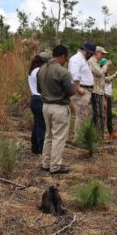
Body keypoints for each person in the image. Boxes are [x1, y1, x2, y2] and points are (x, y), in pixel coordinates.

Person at [37, 44, 76, 174]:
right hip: (59, 107)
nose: (66, 61)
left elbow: (39, 89)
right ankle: (55, 166)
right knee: (58, 137)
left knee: (49, 135)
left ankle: (46, 163)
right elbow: (72, 91)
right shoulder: (63, 72)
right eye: (66, 58)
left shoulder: (41, 69)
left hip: (45, 106)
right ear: (63, 56)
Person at [68, 42, 95, 139]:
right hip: (81, 91)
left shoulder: (83, 59)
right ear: (86, 51)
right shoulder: (76, 59)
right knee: (81, 115)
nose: (91, 55)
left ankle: (80, 138)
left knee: (83, 115)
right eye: (91, 53)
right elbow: (74, 73)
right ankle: (78, 139)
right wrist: (78, 87)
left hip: (85, 90)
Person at [88, 46, 112, 138]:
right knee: (99, 114)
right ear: (96, 53)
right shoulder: (92, 61)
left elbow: (102, 77)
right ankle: (98, 136)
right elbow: (99, 72)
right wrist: (106, 65)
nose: (102, 56)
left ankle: (96, 135)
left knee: (98, 114)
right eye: (102, 54)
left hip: (99, 91)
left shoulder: (96, 62)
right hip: (95, 91)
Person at [28, 52, 50, 155]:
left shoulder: (33, 70)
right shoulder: (39, 71)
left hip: (34, 99)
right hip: (39, 99)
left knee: (37, 124)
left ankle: (35, 147)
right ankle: (41, 149)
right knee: (42, 126)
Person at [100, 57, 117, 137]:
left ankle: (110, 132)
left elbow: (108, 80)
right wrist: (103, 99)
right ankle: (102, 133)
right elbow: (105, 81)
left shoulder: (106, 74)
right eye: (107, 66)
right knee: (104, 115)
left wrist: (114, 75)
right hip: (104, 96)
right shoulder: (101, 74)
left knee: (109, 114)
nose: (108, 68)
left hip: (108, 95)